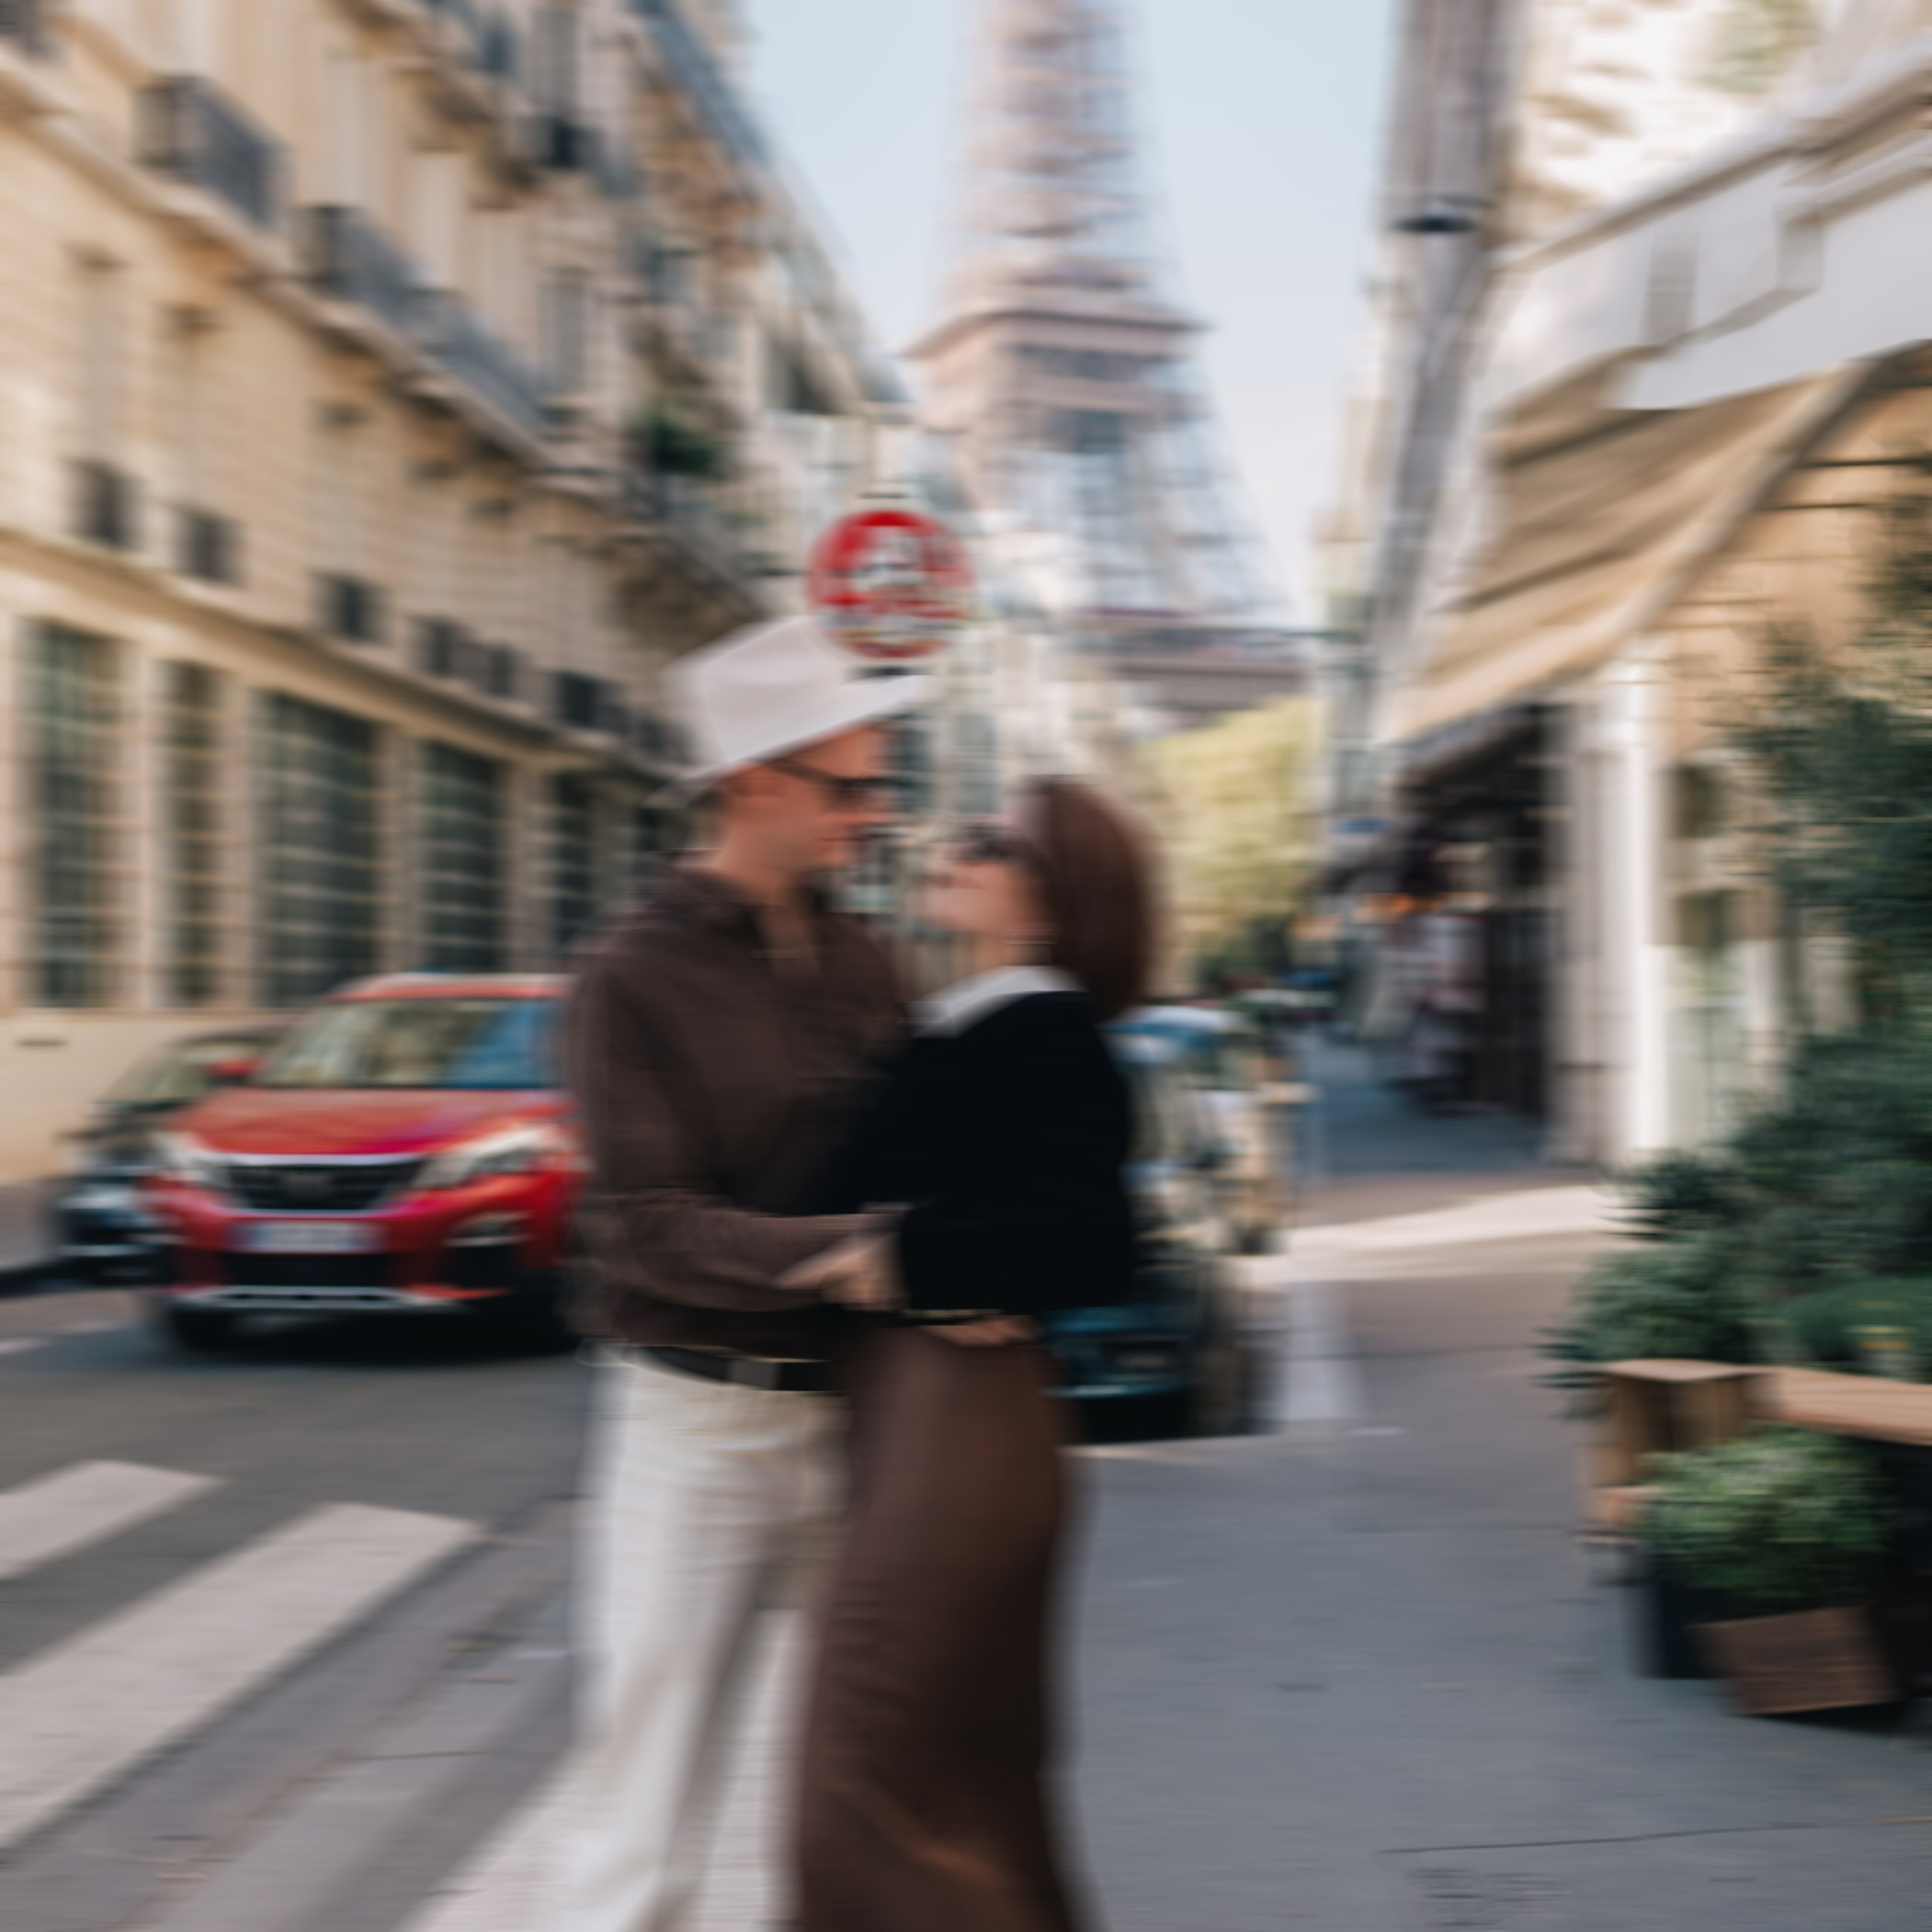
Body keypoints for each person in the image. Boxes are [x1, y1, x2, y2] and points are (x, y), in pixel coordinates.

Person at [560, 614, 931, 1932]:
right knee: (644, 1810)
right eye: (848, 786)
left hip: (860, 1418)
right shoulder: (627, 974)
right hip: (697, 1425)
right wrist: (858, 1257)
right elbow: (650, 1225)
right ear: (753, 782)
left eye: (879, 785)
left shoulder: (867, 957)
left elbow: (919, 1153)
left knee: (846, 1804)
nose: (870, 813)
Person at [789, 778, 1155, 1932]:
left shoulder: (1043, 1031)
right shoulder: (975, 1020)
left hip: (960, 1435)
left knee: (862, 1788)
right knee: (972, 1789)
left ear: (1052, 902)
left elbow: (1098, 1238)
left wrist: (917, 1260)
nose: (951, 850)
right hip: (944, 1432)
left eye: (989, 844)